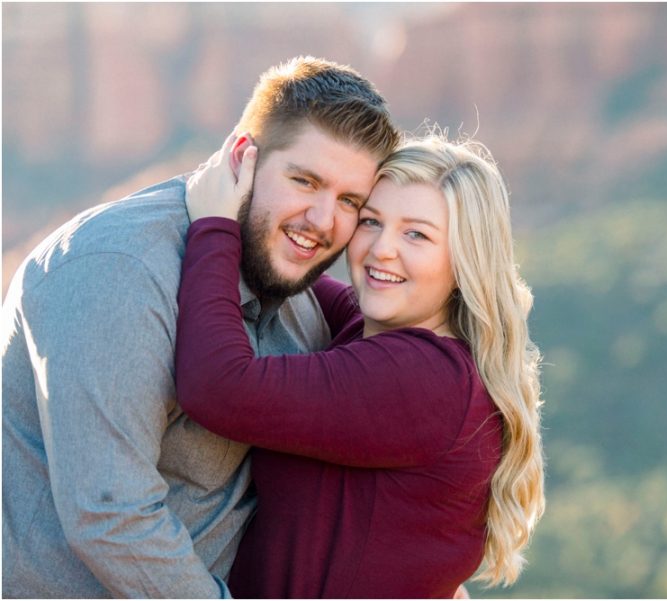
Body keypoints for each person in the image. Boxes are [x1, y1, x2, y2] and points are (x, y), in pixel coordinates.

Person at [1, 56, 399, 598]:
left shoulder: (293, 291)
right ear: (243, 158)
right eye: (305, 181)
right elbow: (112, 517)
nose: (323, 221)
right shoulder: (120, 273)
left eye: (349, 201)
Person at [174, 133, 546, 597]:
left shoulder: (423, 378)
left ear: (465, 261)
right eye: (370, 221)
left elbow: (217, 385)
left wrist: (213, 224)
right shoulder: (385, 332)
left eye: (416, 234)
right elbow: (296, 276)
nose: (380, 249)